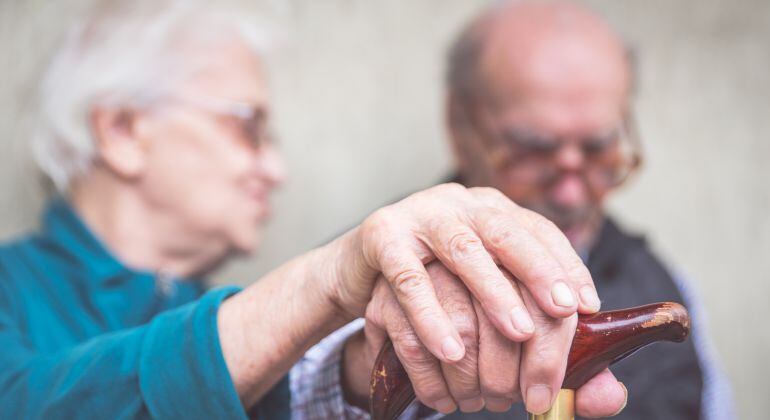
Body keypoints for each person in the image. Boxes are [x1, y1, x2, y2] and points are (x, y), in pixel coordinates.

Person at [0, 1, 628, 419]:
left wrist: (394, 353)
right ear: (122, 130)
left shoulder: (207, 311)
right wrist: (323, 280)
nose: (277, 170)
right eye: (249, 128)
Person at [441, 1, 733, 419]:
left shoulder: (666, 286)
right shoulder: (383, 290)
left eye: (598, 149)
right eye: (534, 151)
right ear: (460, 126)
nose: (571, 196)